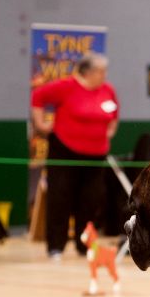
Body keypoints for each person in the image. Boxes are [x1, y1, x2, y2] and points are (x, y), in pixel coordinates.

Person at [31, 51, 119, 260]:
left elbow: (114, 113)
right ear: (87, 72)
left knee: (90, 201)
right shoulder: (66, 86)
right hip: (65, 151)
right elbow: (38, 97)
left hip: (96, 155)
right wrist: (41, 124)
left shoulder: (108, 90)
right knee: (60, 199)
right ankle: (56, 247)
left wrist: (110, 131)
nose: (104, 75)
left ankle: (84, 245)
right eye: (100, 71)